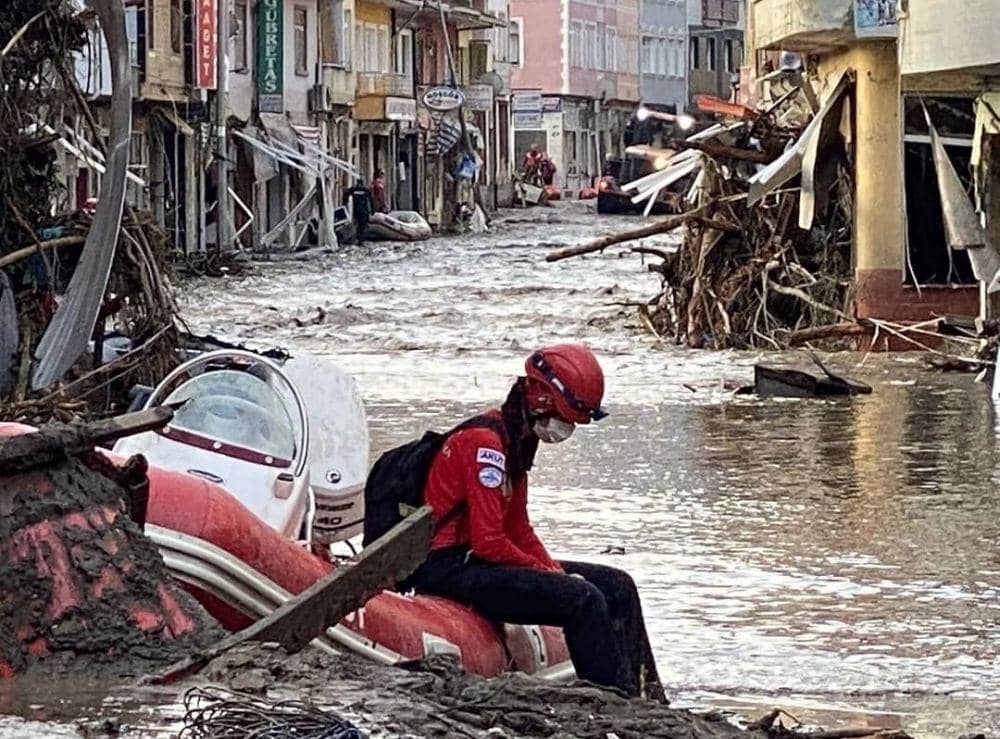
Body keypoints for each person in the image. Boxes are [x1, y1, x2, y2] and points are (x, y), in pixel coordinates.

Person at [408, 344, 665, 701]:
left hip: (478, 559)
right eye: (567, 416)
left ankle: (647, 696)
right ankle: (612, 702)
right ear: (541, 397)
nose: (566, 428)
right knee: (583, 600)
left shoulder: (517, 440)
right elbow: (488, 541)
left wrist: (552, 570)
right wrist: (549, 575)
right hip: (450, 566)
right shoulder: (487, 445)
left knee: (618, 585)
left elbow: (519, 529)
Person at [343, 178, 373, 245]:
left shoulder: (354, 189)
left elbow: (346, 193)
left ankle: (357, 238)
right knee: (362, 225)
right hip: (364, 210)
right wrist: (372, 210)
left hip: (356, 210)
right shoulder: (365, 189)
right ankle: (360, 239)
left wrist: (344, 203)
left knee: (357, 224)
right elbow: (371, 200)